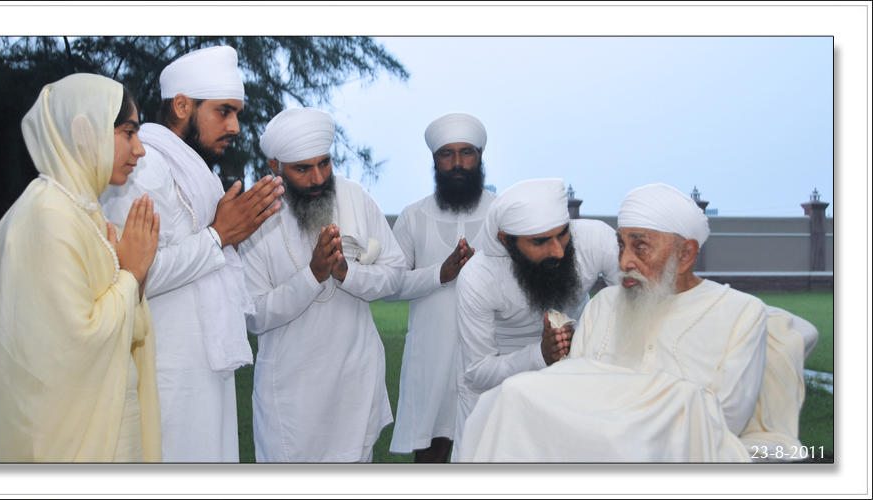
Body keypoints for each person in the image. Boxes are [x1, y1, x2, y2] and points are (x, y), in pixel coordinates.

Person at [457, 183, 769, 462]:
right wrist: (542, 360)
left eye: (640, 248)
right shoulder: (604, 304)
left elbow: (724, 420)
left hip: (668, 456)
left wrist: (633, 424)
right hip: (585, 447)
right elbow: (567, 396)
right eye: (620, 246)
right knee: (510, 398)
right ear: (507, 241)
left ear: (685, 254)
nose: (623, 262)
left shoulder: (741, 313)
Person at [99, 46, 283, 462]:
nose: (235, 126)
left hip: (206, 369)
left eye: (237, 113)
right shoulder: (144, 167)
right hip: (167, 372)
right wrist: (219, 236)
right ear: (182, 106)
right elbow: (134, 275)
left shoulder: (198, 174)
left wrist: (229, 235)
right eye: (223, 111)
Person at [0, 73, 161, 462]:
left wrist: (134, 279)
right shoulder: (48, 216)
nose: (140, 149)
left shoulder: (84, 212)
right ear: (84, 132)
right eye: (129, 132)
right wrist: (130, 275)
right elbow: (75, 342)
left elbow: (124, 323)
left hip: (109, 419)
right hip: (73, 439)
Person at [240, 107, 406, 462]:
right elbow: (253, 315)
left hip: (355, 382)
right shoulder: (257, 219)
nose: (318, 178)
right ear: (275, 166)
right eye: (303, 169)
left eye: (324, 163)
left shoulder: (356, 199)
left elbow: (395, 274)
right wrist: (312, 275)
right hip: (292, 397)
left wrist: (347, 274)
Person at [453, 178, 621, 456]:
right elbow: (477, 373)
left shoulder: (596, 241)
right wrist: (541, 355)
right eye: (540, 241)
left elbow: (634, 305)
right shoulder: (479, 278)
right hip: (496, 385)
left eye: (563, 234)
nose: (558, 251)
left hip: (576, 372)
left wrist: (588, 338)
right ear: (506, 240)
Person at [384, 113, 495, 462]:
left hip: (489, 356)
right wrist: (439, 274)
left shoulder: (502, 214)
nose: (457, 163)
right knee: (430, 455)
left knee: (488, 451)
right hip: (430, 360)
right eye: (447, 154)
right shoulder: (413, 216)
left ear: (479, 156)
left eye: (466, 153)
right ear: (434, 160)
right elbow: (389, 286)